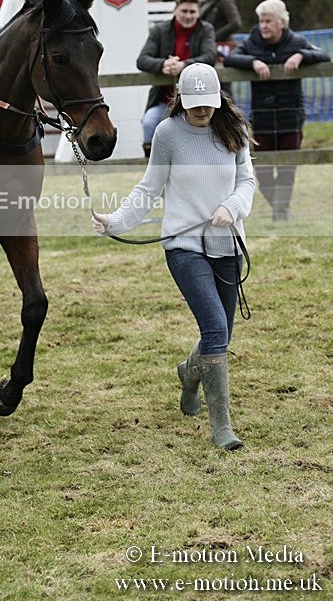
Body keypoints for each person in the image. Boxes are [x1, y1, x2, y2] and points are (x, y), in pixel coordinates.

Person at [92, 63, 255, 451]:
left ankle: (189, 373)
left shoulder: (233, 129)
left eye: (208, 103)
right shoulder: (167, 133)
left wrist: (231, 206)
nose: (202, 111)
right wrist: (115, 221)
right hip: (184, 246)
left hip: (228, 244)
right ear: (181, 99)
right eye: (195, 104)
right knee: (215, 328)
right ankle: (222, 427)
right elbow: (149, 189)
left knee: (221, 335)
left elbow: (247, 181)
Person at [224, 0, 330, 221]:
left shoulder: (296, 41)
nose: (263, 25)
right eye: (261, 21)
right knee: (262, 170)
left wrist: (301, 55)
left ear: (282, 22)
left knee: (287, 170)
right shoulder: (252, 42)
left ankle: (280, 212)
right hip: (262, 117)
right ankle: (279, 207)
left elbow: (324, 55)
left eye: (268, 21)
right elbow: (230, 59)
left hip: (291, 116)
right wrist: (253, 61)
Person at [137, 0, 216, 158]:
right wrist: (163, 64)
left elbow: (210, 56)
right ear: (175, 10)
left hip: (197, 100)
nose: (188, 16)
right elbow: (142, 60)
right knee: (149, 123)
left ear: (198, 12)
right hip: (164, 99)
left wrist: (183, 65)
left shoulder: (206, 29)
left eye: (192, 12)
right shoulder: (160, 30)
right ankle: (151, 165)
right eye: (184, 11)